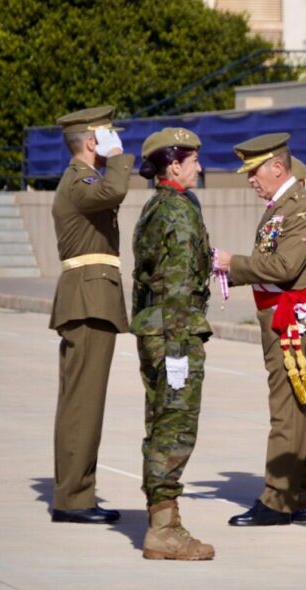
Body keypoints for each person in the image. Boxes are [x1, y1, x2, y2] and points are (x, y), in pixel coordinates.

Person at [214, 133, 306, 527]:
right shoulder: (281, 206)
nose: (250, 180)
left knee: (286, 409)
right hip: (280, 318)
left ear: (278, 167)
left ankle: (276, 499)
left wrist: (232, 264)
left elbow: (284, 267)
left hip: (292, 322)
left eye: (254, 171)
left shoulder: (301, 207)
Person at [131, 127, 214, 560]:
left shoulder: (155, 206)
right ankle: (164, 529)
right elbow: (180, 283)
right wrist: (179, 348)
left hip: (154, 328)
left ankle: (161, 518)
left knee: (159, 421)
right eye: (193, 159)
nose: (199, 166)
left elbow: (141, 280)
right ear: (174, 165)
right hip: (174, 332)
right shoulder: (179, 212)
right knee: (175, 426)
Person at [49, 105, 132, 524]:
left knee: (80, 402)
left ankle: (76, 492)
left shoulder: (83, 179)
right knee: (83, 403)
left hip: (88, 297)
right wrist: (116, 157)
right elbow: (113, 192)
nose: (114, 142)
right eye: (106, 136)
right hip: (88, 298)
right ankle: (74, 499)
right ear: (89, 142)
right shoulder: (80, 180)